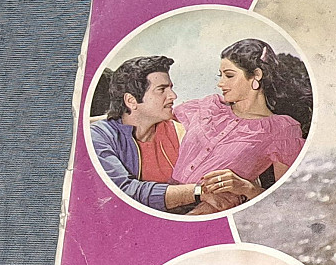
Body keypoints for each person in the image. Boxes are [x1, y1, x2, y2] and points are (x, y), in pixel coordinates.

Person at [171, 39, 311, 214]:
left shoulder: (282, 129)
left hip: (206, 212)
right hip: (166, 197)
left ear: (256, 75)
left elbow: (285, 201)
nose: (220, 83)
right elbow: (158, 121)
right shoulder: (209, 107)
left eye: (229, 76)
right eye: (220, 76)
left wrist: (246, 188)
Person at [90, 56, 243, 212]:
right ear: (131, 101)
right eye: (162, 89)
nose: (173, 96)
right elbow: (122, 192)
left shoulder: (182, 129)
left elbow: (222, 186)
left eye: (170, 88)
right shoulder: (100, 136)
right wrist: (197, 192)